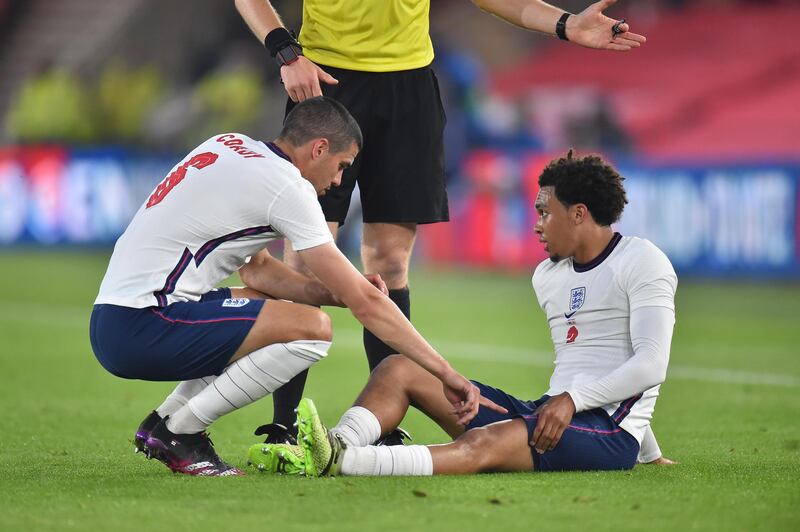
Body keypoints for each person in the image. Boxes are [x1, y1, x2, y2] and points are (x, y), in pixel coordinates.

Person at [234, 0, 648, 445]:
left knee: (390, 264)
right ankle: (284, 426)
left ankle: (382, 422)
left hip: (409, 89)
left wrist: (566, 25)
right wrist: (286, 53)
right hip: (326, 80)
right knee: (304, 262)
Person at [89, 97, 504, 477]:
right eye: (343, 165)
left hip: (116, 316)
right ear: (318, 149)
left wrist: (338, 291)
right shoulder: (288, 186)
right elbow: (367, 305)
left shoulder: (228, 144)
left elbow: (259, 273)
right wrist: (446, 373)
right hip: (143, 324)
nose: (341, 181)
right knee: (313, 331)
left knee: (269, 306)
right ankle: (182, 431)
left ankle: (165, 421)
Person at [248, 150, 677, 476]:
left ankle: (345, 462)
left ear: (579, 213)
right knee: (398, 368)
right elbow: (588, 363)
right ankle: (327, 446)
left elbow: (650, 364)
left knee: (484, 442)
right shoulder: (548, 275)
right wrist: (566, 403)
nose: (537, 225)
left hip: (606, 431)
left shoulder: (643, 261)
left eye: (545, 213)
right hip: (549, 413)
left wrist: (629, 436)